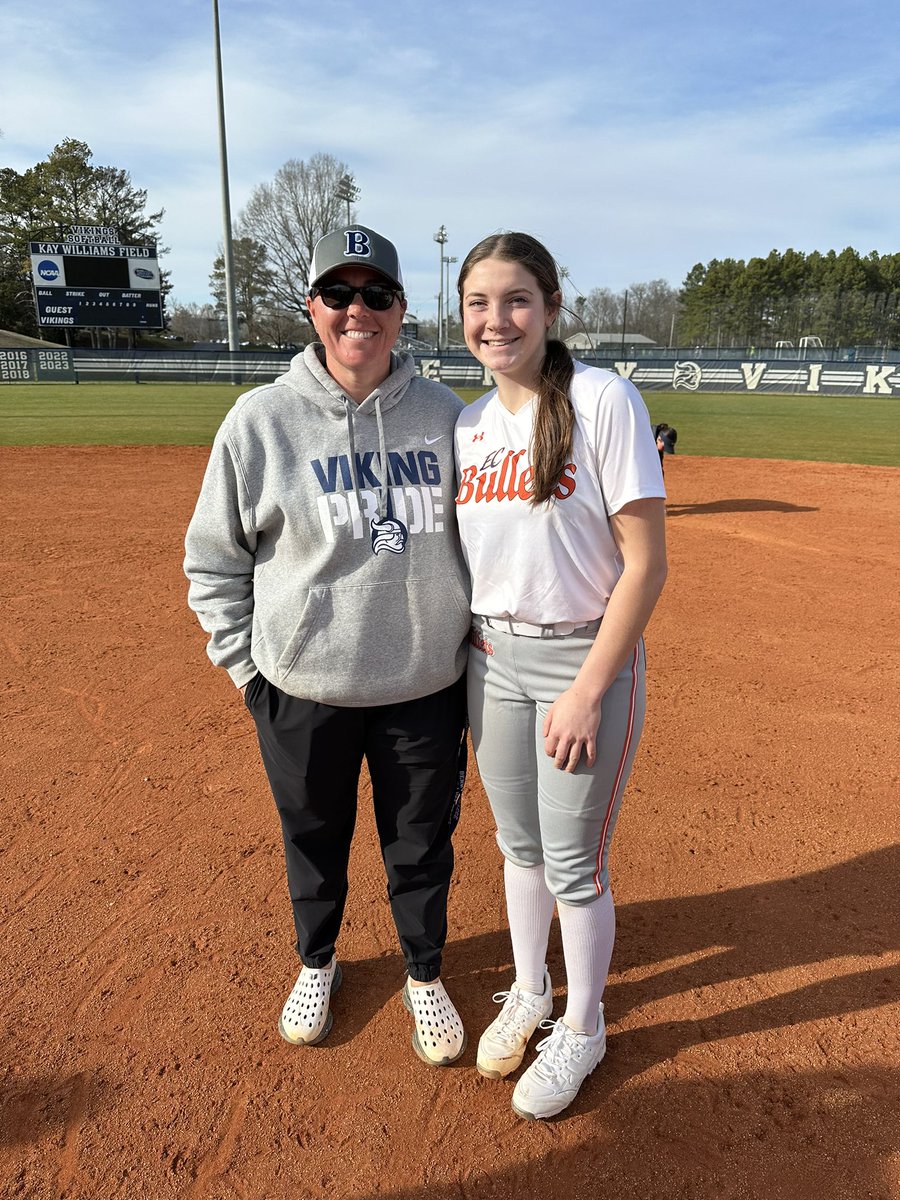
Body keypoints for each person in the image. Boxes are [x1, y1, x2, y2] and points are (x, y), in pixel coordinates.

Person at [184, 225, 471, 1066]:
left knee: (421, 845)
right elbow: (213, 560)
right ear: (312, 308)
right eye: (339, 295)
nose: (358, 311)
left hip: (422, 684)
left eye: (376, 295)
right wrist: (248, 672)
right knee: (311, 837)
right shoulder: (259, 421)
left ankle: (424, 971)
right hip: (302, 689)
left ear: (401, 311)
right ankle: (318, 961)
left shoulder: (446, 418)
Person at [453, 232, 668, 1119]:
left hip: (585, 661)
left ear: (549, 309)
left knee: (574, 863)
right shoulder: (468, 424)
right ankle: (530, 991)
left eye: (514, 300)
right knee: (518, 847)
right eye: (478, 303)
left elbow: (647, 564)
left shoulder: (602, 400)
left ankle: (584, 1023)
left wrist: (587, 688)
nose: (495, 320)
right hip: (491, 661)